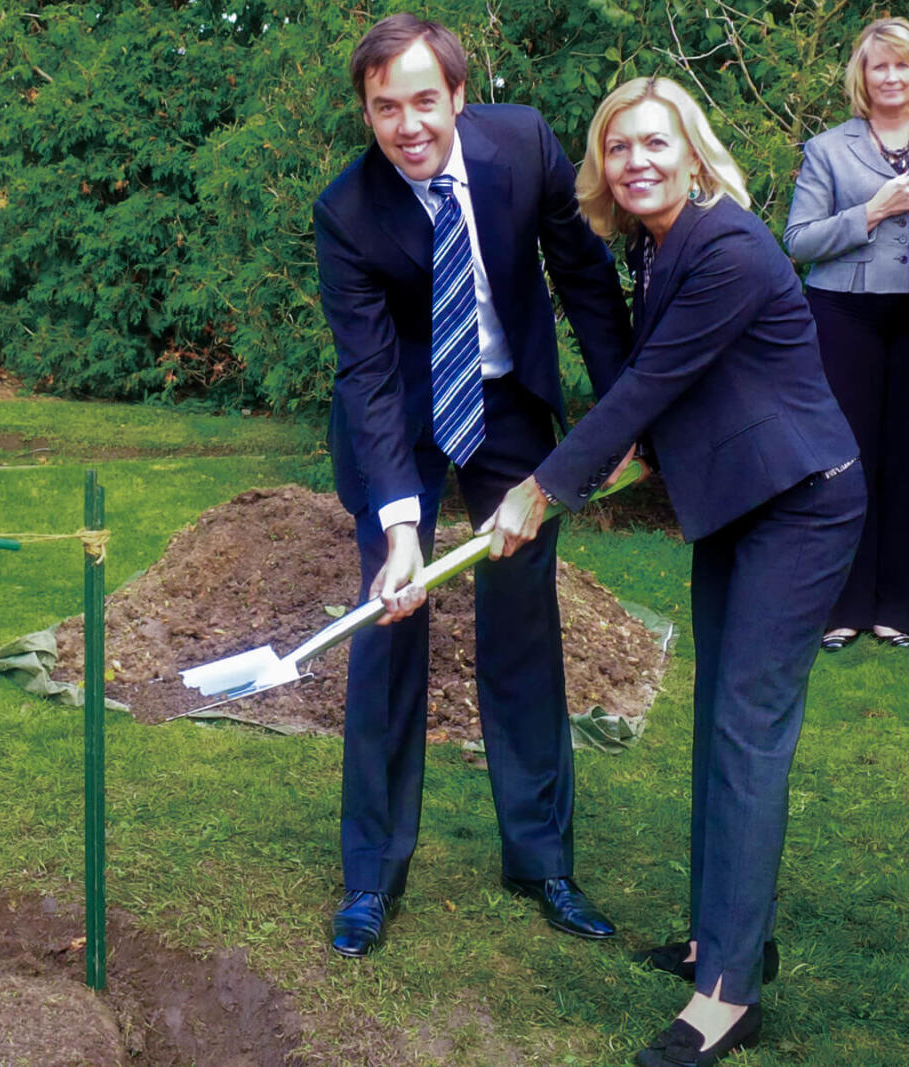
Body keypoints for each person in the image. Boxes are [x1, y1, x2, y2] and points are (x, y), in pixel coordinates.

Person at [484, 76, 865, 1065]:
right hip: (735, 503)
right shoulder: (657, 251)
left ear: (693, 152)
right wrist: (633, 452)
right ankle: (719, 933)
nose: (636, 162)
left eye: (654, 143)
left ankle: (728, 989)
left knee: (747, 732)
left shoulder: (728, 246)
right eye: (617, 148)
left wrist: (541, 490)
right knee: (718, 726)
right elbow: (657, 390)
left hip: (801, 504)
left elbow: (651, 382)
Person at [312, 14, 633, 958]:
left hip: (507, 405)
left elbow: (583, 275)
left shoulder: (523, 143)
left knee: (523, 633)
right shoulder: (348, 212)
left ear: (457, 95)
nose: (407, 124)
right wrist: (400, 529)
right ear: (366, 113)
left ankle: (542, 863)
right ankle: (372, 874)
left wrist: (623, 417)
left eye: (423, 100)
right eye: (385, 108)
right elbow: (367, 374)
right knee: (388, 631)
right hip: (399, 426)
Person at [784, 16, 909, 652]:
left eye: (903, 65)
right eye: (878, 65)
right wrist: (871, 211)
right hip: (844, 314)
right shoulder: (828, 149)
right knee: (843, 459)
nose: (891, 76)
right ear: (862, 76)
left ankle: (906, 606)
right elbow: (799, 240)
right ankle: (840, 604)